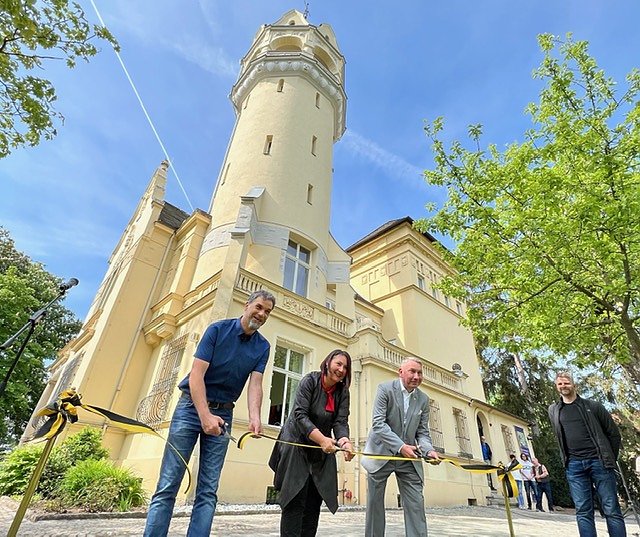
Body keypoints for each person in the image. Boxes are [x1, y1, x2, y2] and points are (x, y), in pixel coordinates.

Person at [144, 290, 276, 537]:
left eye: (267, 312)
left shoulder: (263, 347)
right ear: (247, 305)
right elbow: (196, 374)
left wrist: (255, 417)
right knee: (168, 485)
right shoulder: (217, 330)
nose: (261, 314)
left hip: (223, 415)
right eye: (258, 307)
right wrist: (205, 416)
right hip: (190, 409)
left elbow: (255, 383)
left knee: (207, 490)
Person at [268, 349, 354, 537]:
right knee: (295, 501)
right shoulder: (310, 381)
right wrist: (322, 439)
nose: (341, 369)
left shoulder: (342, 393)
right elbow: (300, 415)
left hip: (320, 452)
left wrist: (345, 441)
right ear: (328, 362)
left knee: (313, 504)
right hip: (296, 446)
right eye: (338, 364)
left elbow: (340, 422)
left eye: (345, 367)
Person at [362, 357, 440, 537]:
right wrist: (401, 446)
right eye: (412, 371)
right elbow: (378, 424)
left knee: (416, 505)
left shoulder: (423, 399)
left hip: (409, 458)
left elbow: (422, 433)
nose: (416, 376)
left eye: (419, 373)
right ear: (401, 372)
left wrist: (429, 450)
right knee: (374, 505)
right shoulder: (385, 389)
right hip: (380, 454)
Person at [548, 371, 626, 536]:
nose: (563, 386)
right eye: (560, 384)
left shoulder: (593, 406)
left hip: (600, 462)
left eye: (566, 383)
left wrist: (608, 457)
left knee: (611, 508)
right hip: (574, 466)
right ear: (556, 387)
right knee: (583, 510)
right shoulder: (554, 410)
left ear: (574, 384)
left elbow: (613, 434)